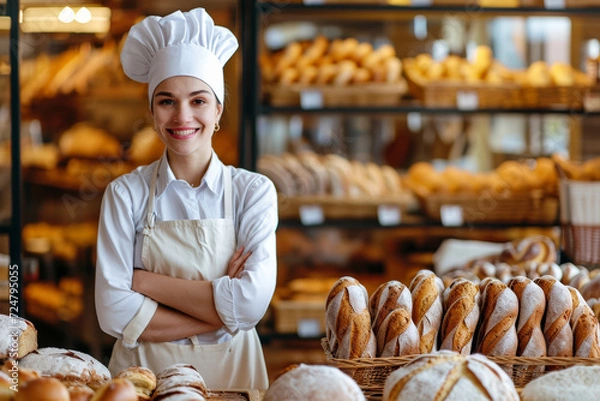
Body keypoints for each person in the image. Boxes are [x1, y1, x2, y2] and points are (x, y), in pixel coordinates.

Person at [94, 8, 277, 390]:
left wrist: (144, 282)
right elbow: (112, 312)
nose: (182, 116)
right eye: (167, 101)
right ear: (151, 111)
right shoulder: (125, 194)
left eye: (198, 101)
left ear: (218, 109)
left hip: (233, 383)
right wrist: (221, 314)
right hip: (144, 383)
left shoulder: (252, 193)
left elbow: (250, 306)